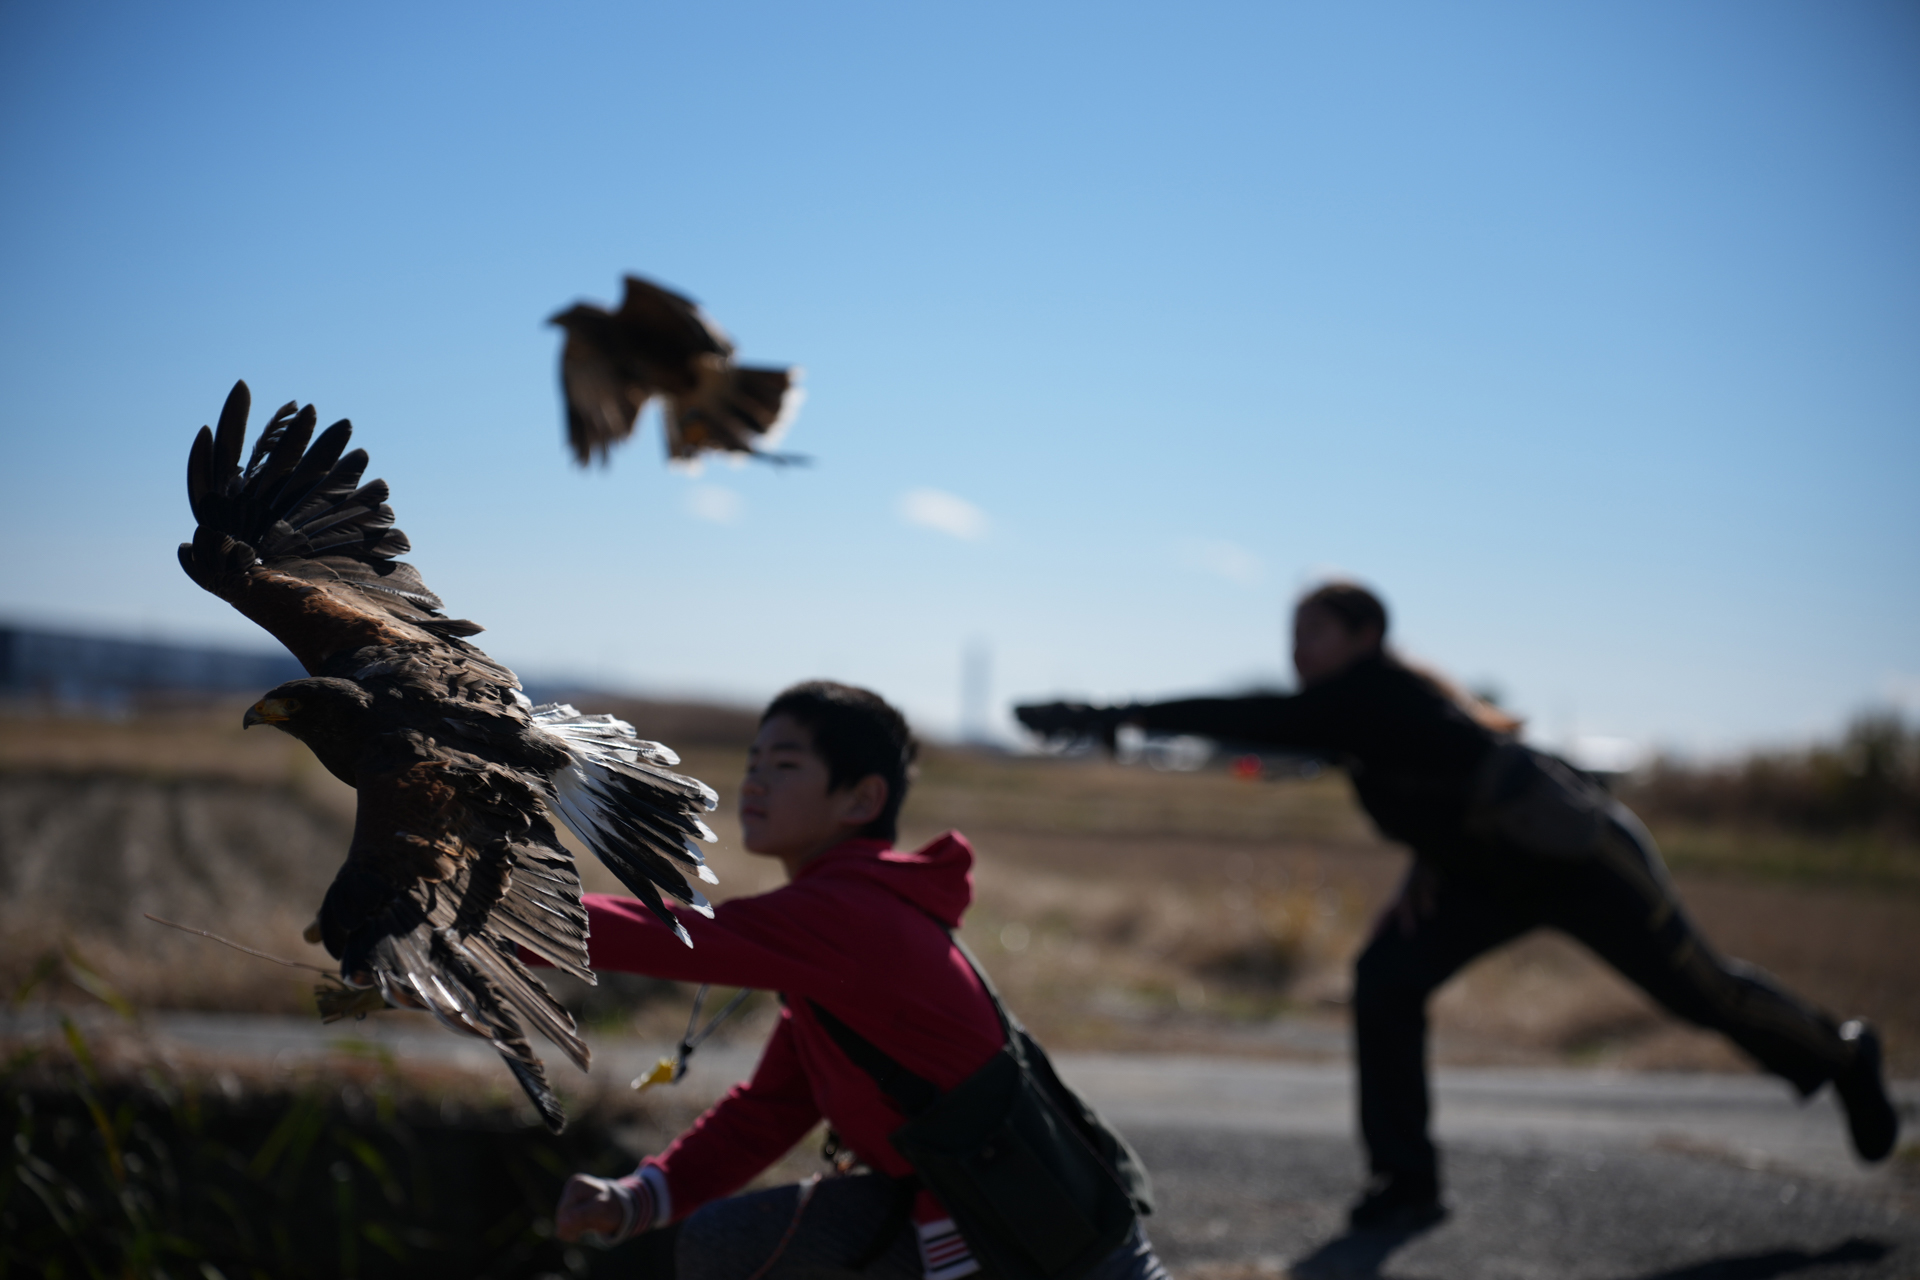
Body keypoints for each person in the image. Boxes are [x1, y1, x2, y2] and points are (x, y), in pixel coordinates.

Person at [1016, 581, 1900, 1233]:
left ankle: (1844, 1054)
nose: (1298, 652)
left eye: (1312, 634)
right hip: (1483, 882)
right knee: (1387, 977)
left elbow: (1258, 716)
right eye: (1293, 637)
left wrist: (1113, 713)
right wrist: (1419, 881)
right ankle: (1406, 1183)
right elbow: (1435, 805)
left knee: (1703, 994)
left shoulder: (1380, 696)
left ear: (1365, 635)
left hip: (1586, 863)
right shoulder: (1363, 714)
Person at [551, 680, 1167, 1280]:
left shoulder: (853, 915)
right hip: (969, 1219)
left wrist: (507, 912)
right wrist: (640, 1196)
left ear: (861, 800)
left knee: (726, 1244)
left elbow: (678, 935)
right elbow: (773, 1109)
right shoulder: (843, 921)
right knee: (725, 1242)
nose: (755, 780)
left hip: (1050, 1248)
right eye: (753, 760)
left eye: (786, 764)